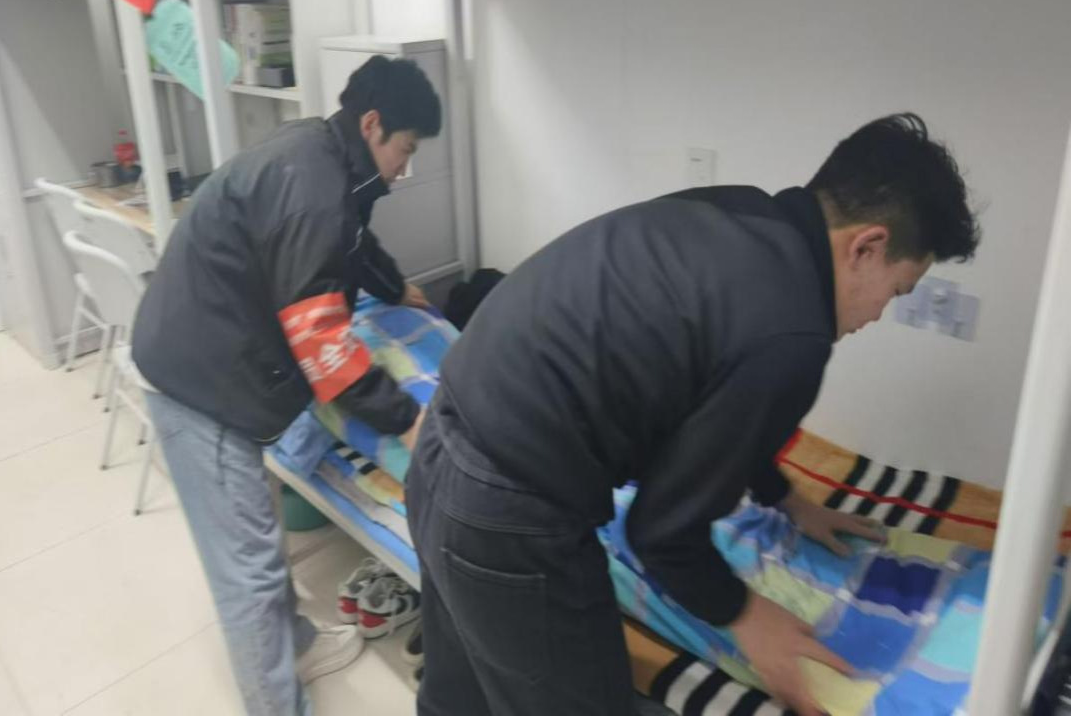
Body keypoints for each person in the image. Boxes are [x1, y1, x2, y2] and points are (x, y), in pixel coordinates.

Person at [405, 113, 980, 716]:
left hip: (442, 436)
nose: (879, 315)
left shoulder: (736, 210)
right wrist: (748, 616)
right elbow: (661, 533)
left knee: (455, 700)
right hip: (505, 513)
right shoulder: (793, 334)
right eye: (897, 291)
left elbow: (716, 402)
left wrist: (788, 500)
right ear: (867, 246)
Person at [132, 55, 440, 716]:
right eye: (407, 150)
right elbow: (324, 343)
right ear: (373, 124)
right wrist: (406, 419)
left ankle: (294, 640)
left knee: (258, 539)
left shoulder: (321, 150)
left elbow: (349, 241)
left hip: (206, 345)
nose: (404, 168)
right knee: (248, 569)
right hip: (200, 381)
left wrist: (394, 287)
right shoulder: (312, 187)